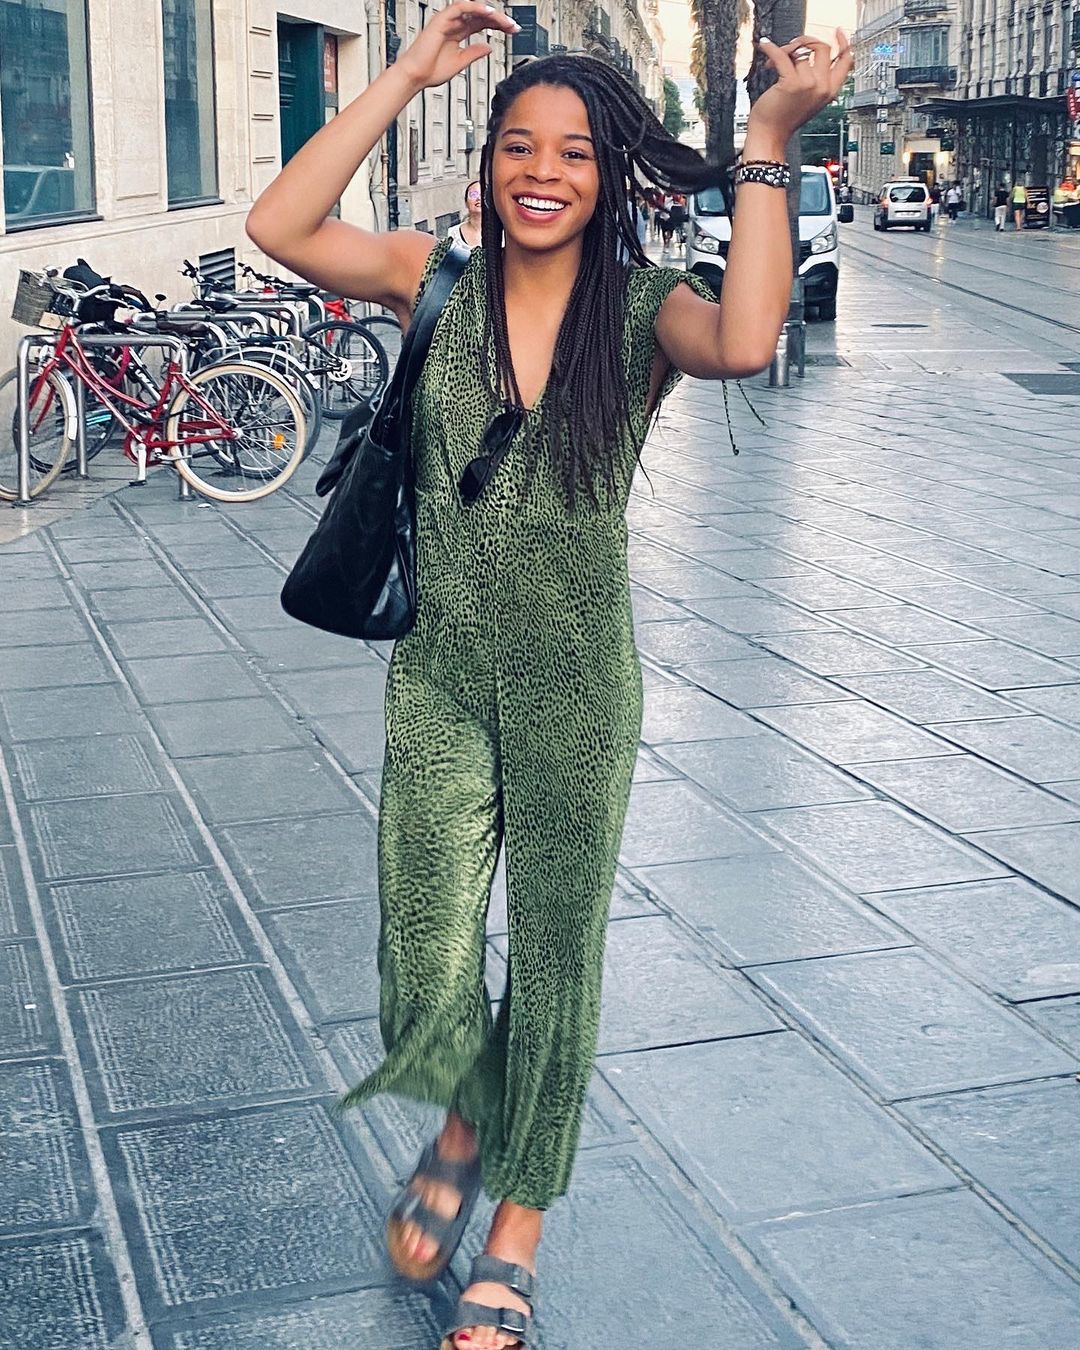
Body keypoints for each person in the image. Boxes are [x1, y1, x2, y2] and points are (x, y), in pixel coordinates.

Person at [246, 11, 850, 1347]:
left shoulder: (643, 313)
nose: (542, 172)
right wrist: (403, 72)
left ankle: (513, 1224)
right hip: (440, 675)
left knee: (559, 963)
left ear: (610, 174)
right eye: (518, 145)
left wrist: (765, 139)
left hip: (578, 686)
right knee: (422, 958)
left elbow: (750, 336)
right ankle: (466, 1116)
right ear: (488, 163)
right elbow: (280, 225)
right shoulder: (431, 278)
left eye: (574, 153)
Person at [447, 179, 483, 249]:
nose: (478, 198)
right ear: (466, 202)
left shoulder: (503, 231)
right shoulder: (453, 233)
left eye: (483, 194)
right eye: (473, 194)